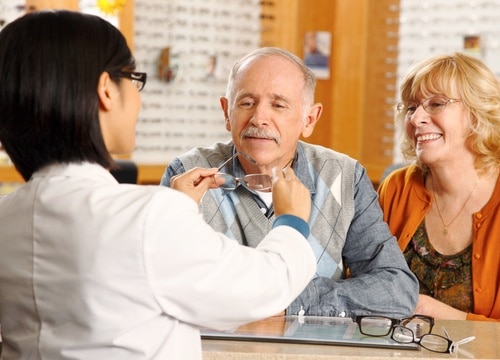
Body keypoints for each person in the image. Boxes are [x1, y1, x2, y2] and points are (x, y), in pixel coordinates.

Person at [0, 11, 317, 359]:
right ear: (106, 90)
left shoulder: (8, 217)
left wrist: (169, 215)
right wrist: (291, 222)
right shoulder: (148, 218)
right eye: (134, 80)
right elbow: (262, 289)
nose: (139, 99)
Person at [161, 47, 419, 318]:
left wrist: (287, 305)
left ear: (309, 119)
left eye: (278, 105)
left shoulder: (346, 177)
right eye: (247, 102)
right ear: (227, 112)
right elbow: (165, 287)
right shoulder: (185, 175)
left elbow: (396, 290)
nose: (259, 118)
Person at [378, 52, 500, 323]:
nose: (417, 118)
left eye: (436, 104)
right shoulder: (396, 188)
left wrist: (439, 314)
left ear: (478, 114)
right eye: (410, 107)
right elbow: (363, 286)